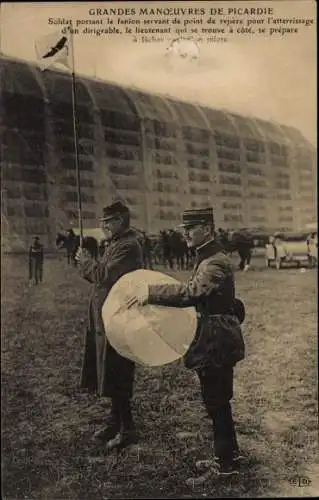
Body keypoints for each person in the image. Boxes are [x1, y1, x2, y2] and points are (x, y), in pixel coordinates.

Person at [127, 207, 245, 479]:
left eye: (190, 228)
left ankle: (226, 465)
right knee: (216, 399)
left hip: (216, 340)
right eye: (184, 228)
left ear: (207, 228)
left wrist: (150, 292)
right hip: (214, 336)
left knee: (216, 400)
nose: (185, 233)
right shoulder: (209, 257)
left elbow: (192, 292)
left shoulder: (214, 261)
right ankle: (227, 455)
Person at [75, 201, 143, 451]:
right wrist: (87, 264)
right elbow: (99, 275)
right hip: (106, 316)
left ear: (118, 221)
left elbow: (104, 276)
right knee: (110, 370)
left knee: (118, 371)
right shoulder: (116, 243)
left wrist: (87, 262)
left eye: (107, 222)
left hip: (119, 318)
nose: (103, 226)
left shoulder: (128, 246)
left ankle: (128, 428)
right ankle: (115, 422)